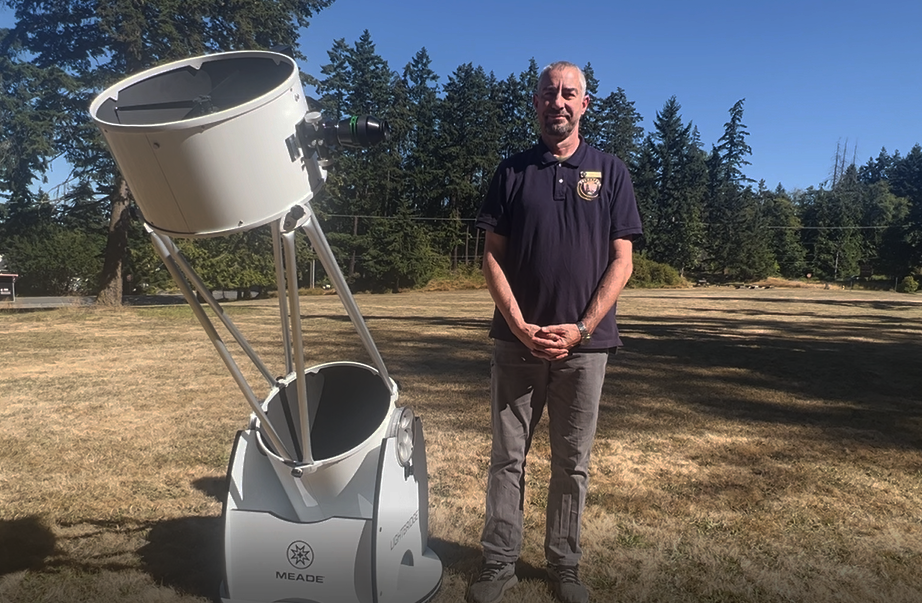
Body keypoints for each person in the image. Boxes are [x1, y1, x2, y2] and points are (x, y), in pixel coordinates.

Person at [468, 61, 643, 603]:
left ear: (585, 104)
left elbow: (622, 260)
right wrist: (520, 327)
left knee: (573, 462)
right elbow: (491, 257)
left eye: (569, 93)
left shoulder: (610, 172)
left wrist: (582, 329)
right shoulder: (512, 172)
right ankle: (498, 563)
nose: (558, 102)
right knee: (507, 457)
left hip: (585, 348)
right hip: (516, 344)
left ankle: (564, 565)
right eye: (549, 93)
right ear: (536, 102)